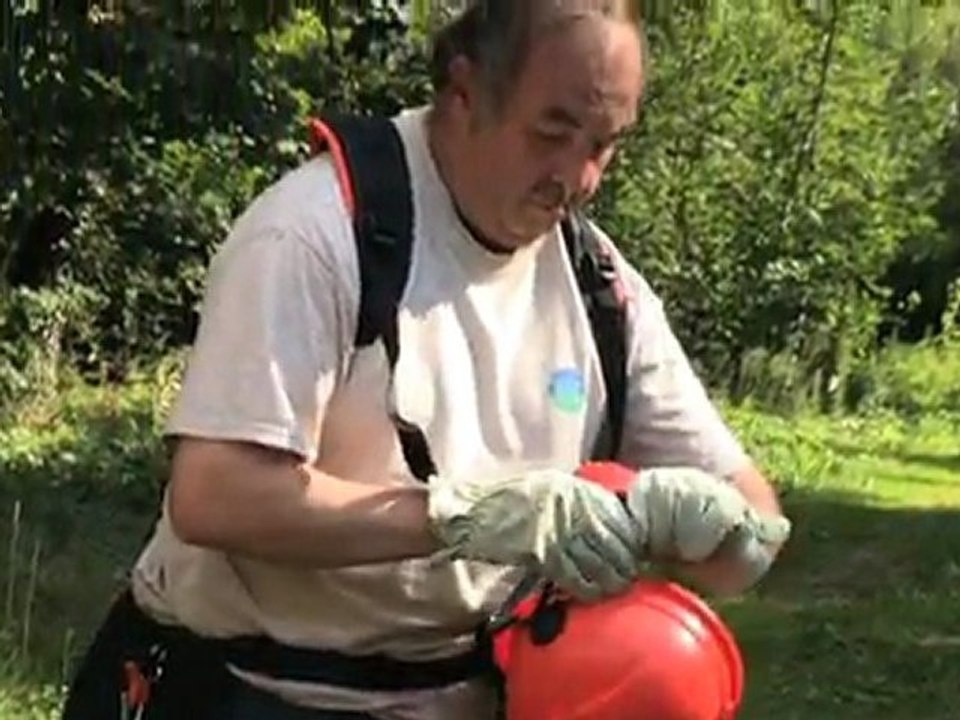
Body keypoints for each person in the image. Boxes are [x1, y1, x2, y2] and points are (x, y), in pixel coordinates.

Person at [69, 2, 791, 719]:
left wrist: (710, 528)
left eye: (605, 144)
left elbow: (751, 518)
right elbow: (215, 494)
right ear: (464, 88)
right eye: (553, 132)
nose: (577, 178)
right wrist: (465, 518)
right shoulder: (315, 235)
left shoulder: (599, 285)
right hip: (249, 691)